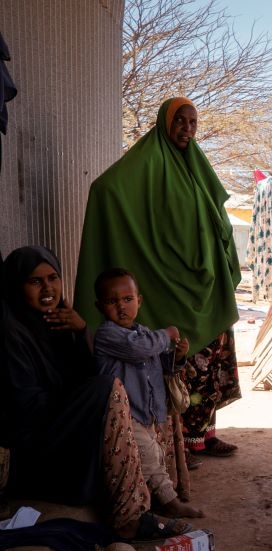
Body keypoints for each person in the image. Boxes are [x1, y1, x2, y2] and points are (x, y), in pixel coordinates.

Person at [75, 96, 242, 463]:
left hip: (207, 286)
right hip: (170, 285)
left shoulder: (196, 166)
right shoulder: (149, 160)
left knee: (212, 364)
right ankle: (179, 443)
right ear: (165, 123)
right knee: (181, 365)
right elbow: (106, 188)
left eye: (193, 122)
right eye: (180, 121)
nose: (187, 128)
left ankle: (206, 434)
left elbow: (216, 217)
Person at [0, 246, 192, 541]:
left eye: (53, 278)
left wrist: (80, 333)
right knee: (108, 387)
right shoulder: (11, 334)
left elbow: (86, 369)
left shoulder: (59, 323)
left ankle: (165, 491)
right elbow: (25, 412)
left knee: (155, 402)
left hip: (67, 433)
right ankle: (129, 516)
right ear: (16, 286)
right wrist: (79, 402)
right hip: (38, 453)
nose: (48, 288)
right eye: (35, 282)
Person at [92, 267, 204, 520]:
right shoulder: (108, 334)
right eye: (112, 301)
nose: (122, 307)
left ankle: (154, 500)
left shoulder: (143, 332)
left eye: (128, 299)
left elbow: (161, 365)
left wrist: (178, 355)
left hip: (148, 412)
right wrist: (168, 334)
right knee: (149, 457)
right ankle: (170, 502)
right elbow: (141, 350)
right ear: (100, 307)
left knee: (151, 457)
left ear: (139, 301)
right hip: (125, 415)